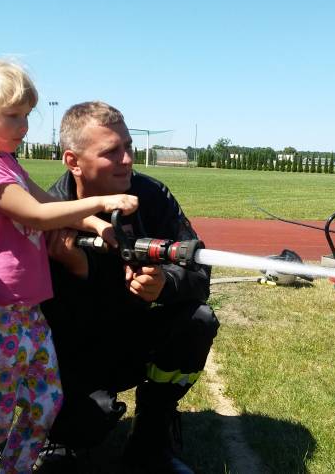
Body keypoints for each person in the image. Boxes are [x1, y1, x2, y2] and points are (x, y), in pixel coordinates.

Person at [0, 60, 138, 472]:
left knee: (45, 402)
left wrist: (94, 223)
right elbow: (36, 215)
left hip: (26, 309)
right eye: (13, 115)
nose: (24, 126)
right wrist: (101, 202)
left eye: (27, 115)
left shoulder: (5, 160)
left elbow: (48, 202)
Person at [40, 101, 219, 474]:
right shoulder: (49, 211)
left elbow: (199, 272)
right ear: (73, 161)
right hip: (72, 350)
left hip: (132, 336)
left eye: (128, 147)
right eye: (111, 151)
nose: (127, 159)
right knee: (87, 422)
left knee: (197, 321)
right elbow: (43, 315)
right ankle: (59, 439)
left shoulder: (152, 197)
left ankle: (150, 438)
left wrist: (164, 284)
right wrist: (78, 271)